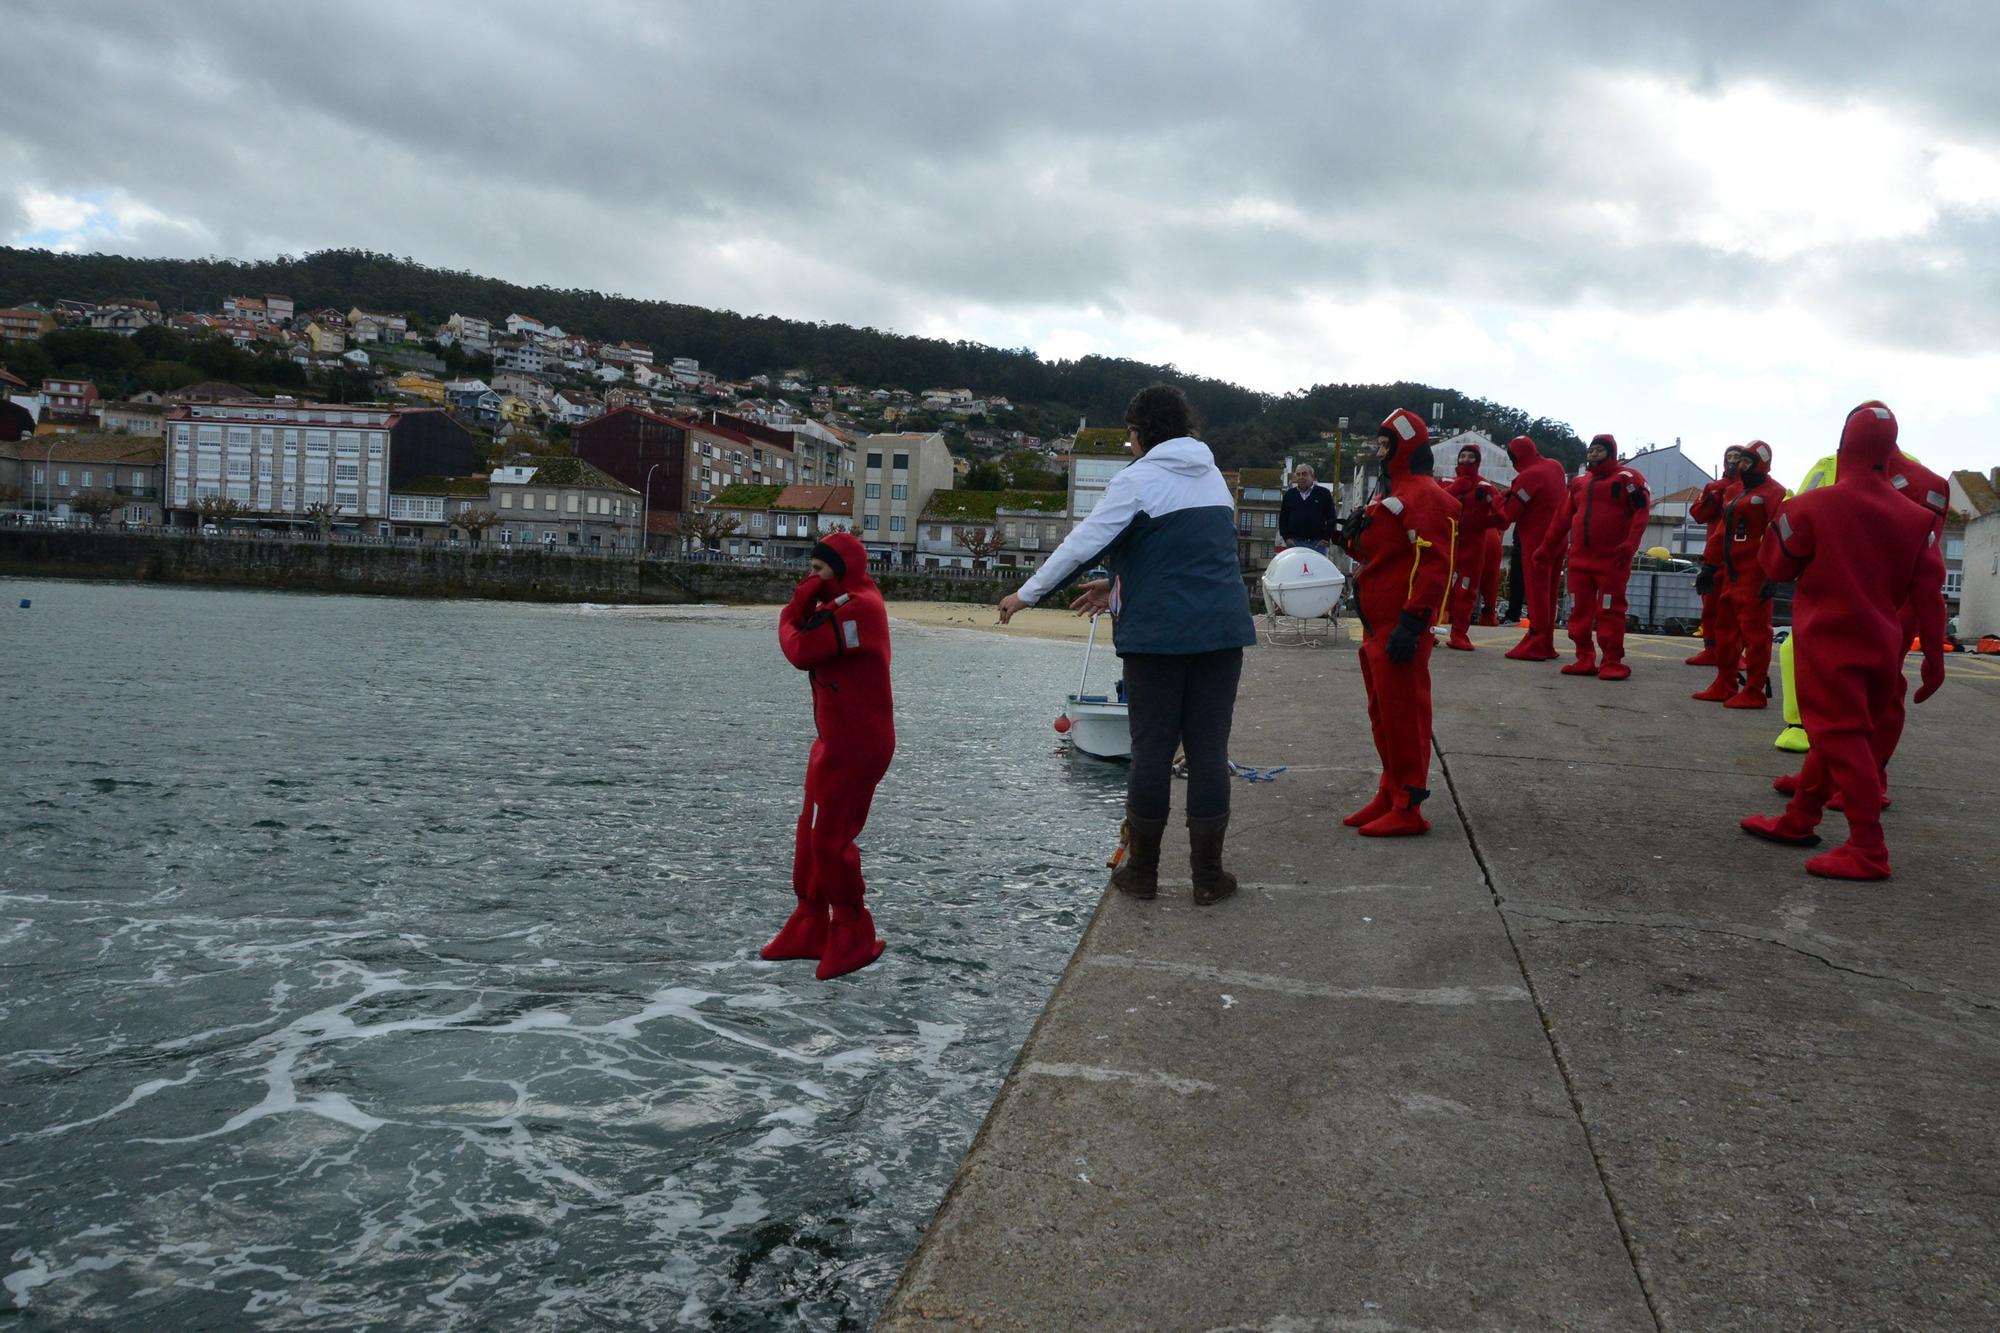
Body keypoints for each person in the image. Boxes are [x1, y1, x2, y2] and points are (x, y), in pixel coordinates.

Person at [998, 384, 1256, 904]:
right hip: (1222, 632)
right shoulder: (1212, 479)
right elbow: (1186, 559)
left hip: (1158, 638)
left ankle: (1143, 875)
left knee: (1152, 753)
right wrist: (1115, 585)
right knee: (1208, 752)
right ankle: (1208, 880)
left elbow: (1081, 544)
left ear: (1138, 433)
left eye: (1131, 435)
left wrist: (1024, 595)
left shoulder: (1136, 480)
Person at [1740, 402, 1945, 880]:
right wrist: (1935, 659)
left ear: (1843, 445)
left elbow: (1775, 567)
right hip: (1883, 641)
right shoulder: (1916, 520)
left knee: (1840, 735)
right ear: (1890, 449)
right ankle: (1800, 817)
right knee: (1844, 733)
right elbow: (1930, 593)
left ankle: (1868, 848)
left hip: (1829, 641)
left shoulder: (1808, 507)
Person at [764, 530, 895, 980]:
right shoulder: (840, 603)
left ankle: (853, 928)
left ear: (838, 572)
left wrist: (790, 609)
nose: (810, 576)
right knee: (809, 832)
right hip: (835, 741)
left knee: (829, 839)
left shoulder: (857, 608)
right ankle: (810, 919)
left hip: (858, 746)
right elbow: (807, 635)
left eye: (818, 570)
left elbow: (800, 648)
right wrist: (805, 606)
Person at [1334, 409, 1460, 836]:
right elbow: (1379, 556)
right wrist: (1348, 537)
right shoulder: (1392, 493)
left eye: (1386, 445)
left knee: (1405, 716)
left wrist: (1414, 622)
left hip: (1398, 627)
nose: (1380, 451)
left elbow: (1435, 566)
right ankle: (1389, 790)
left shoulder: (1425, 496)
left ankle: (1409, 805)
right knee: (1383, 714)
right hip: (1376, 626)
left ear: (1406, 447)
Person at [1541, 434, 1651, 680]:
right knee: (1579, 610)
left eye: (1599, 450)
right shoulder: (1579, 483)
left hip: (1612, 561)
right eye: (1591, 450)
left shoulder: (1628, 478)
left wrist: (1630, 544)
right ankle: (1584, 657)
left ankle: (1612, 660)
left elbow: (1642, 512)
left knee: (1610, 609)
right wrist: (1545, 549)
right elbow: (1562, 519)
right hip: (1580, 561)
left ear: (1611, 453)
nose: (1593, 454)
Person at [1693, 442, 1784, 706]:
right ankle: (1724, 683)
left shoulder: (1775, 493)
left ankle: (1754, 691)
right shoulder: (1735, 491)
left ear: (1761, 463)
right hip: (1732, 574)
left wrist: (1774, 574)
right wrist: (1709, 565)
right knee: (1725, 631)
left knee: (1756, 635)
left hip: (1755, 575)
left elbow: (1780, 534)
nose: (1739, 466)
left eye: (1746, 461)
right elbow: (1721, 531)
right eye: (1739, 461)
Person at [1494, 435, 1570, 659]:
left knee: (1537, 593)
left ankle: (1536, 639)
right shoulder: (1555, 466)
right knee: (1551, 593)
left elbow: (1509, 515)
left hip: (1536, 542)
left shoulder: (1528, 477)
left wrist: (1500, 500)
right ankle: (1547, 640)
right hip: (1559, 538)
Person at [1686, 446, 1744, 667]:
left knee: (1736, 608)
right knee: (1710, 604)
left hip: (1740, 557)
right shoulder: (1715, 487)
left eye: (1737, 458)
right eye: (1728, 457)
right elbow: (1698, 515)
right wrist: (1712, 495)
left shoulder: (1752, 488)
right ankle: (1710, 650)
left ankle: (1736, 654)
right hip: (1714, 555)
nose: (1732, 462)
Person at [1443, 442, 1502, 650]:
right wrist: (1454, 489)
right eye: (1463, 455)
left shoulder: (1485, 488)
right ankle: (1428, 631)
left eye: (1471, 456)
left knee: (1465, 592)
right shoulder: (1446, 482)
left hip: (1472, 549)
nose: (1466, 459)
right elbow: (1436, 504)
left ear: (1477, 461)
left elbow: (1502, 514)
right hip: (1446, 546)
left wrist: (1483, 523)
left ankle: (1459, 633)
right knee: (1436, 588)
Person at [1279, 462, 1336, 553]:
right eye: (1298, 474)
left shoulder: (1324, 494)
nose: (1301, 477)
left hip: (1317, 544)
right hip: (1294, 544)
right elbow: (1283, 519)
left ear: (1312, 477)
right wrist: (1287, 538)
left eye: (1304, 474)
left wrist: (1326, 538)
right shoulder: (1289, 495)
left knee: (1316, 568)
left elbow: (1331, 517)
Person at [1477, 525, 1504, 625]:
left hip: (1470, 531)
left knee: (1465, 580)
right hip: (1493, 533)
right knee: (1491, 581)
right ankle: (1489, 614)